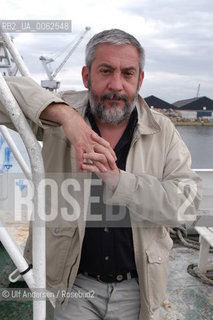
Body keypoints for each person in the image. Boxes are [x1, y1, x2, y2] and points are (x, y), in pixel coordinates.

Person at [0, 29, 201, 320]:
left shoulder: (162, 131)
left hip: (138, 288)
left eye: (128, 73)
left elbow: (188, 203)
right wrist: (66, 116)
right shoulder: (59, 116)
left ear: (140, 80)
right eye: (106, 71)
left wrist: (120, 181)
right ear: (86, 76)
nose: (116, 85)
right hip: (72, 287)